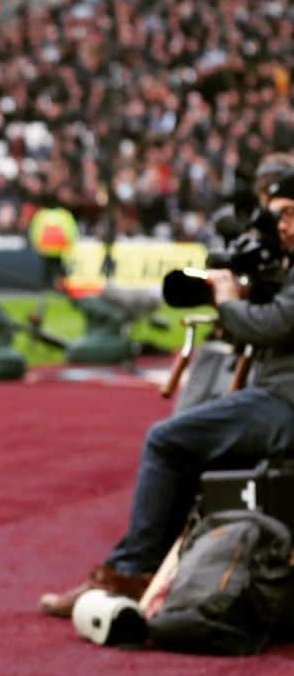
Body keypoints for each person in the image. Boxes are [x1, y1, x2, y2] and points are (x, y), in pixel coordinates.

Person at [40, 170, 294, 617]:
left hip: (284, 403)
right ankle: (147, 571)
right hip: (277, 397)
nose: (283, 228)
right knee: (197, 448)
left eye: (290, 215)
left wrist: (228, 298)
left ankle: (131, 574)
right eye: (277, 219)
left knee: (167, 440)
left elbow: (272, 325)